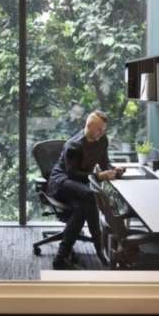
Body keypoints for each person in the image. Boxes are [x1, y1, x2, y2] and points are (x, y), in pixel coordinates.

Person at [48, 110, 123, 270]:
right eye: (99, 130)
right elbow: (72, 174)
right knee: (89, 195)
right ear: (89, 126)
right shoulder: (74, 145)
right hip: (61, 182)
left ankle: (60, 258)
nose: (102, 133)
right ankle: (99, 247)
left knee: (81, 209)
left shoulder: (102, 140)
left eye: (104, 130)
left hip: (79, 188)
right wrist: (98, 176)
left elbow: (104, 163)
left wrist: (114, 170)